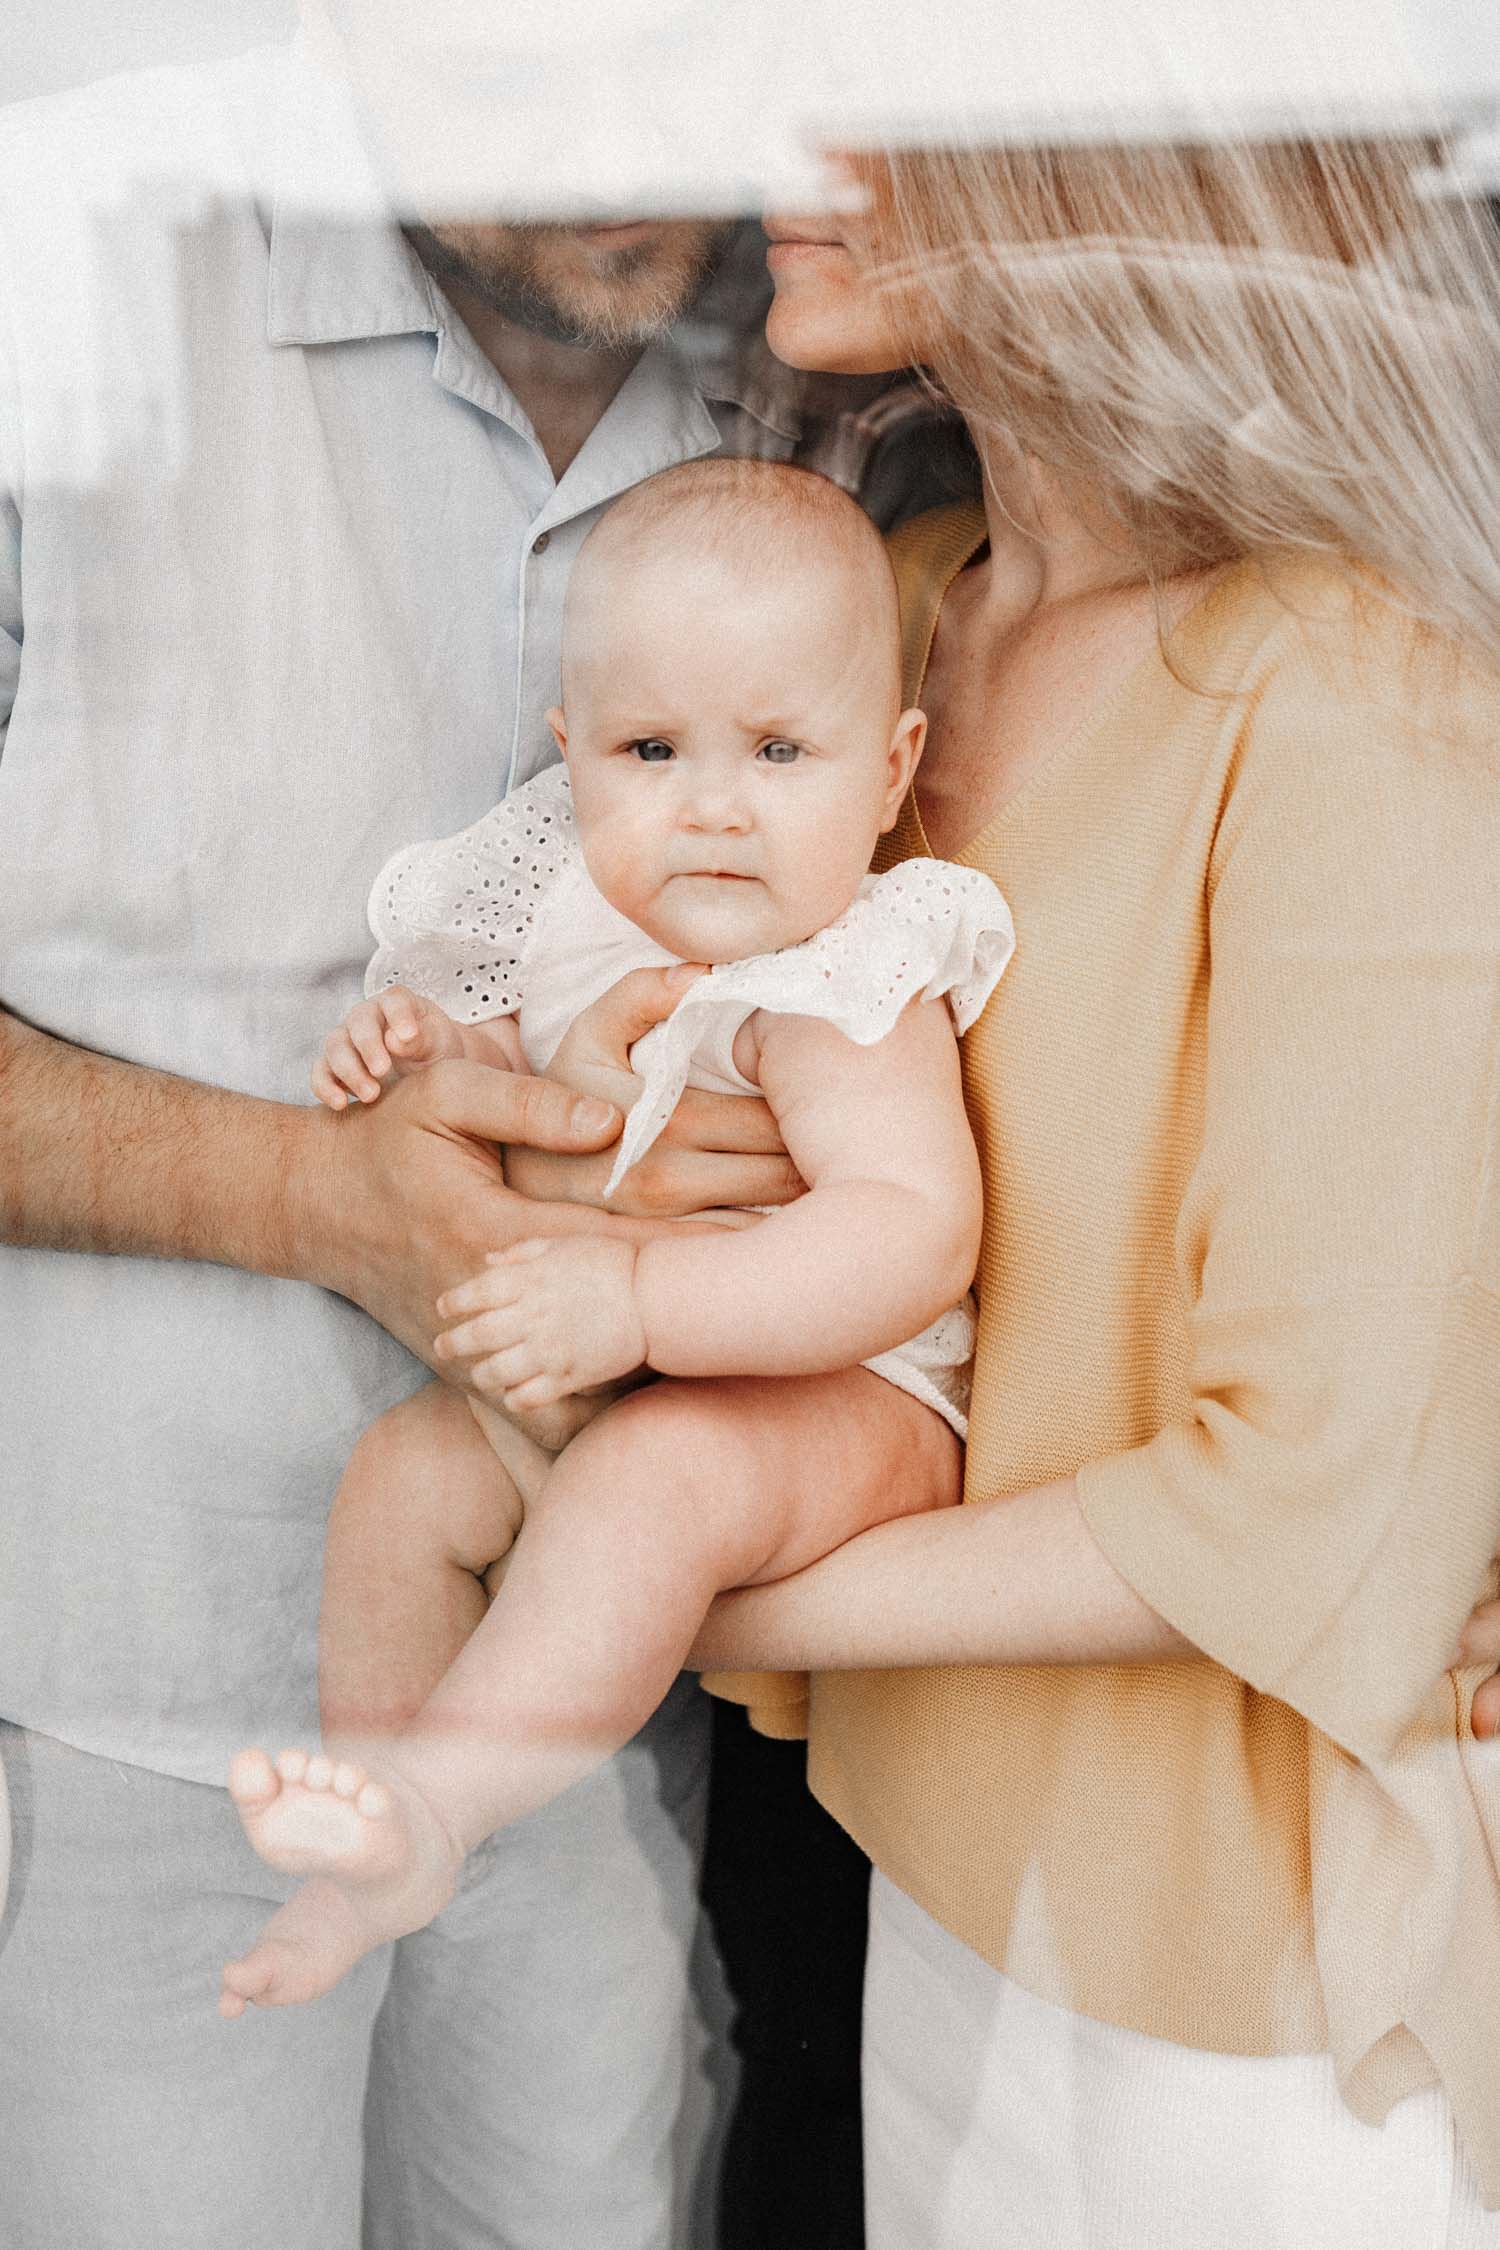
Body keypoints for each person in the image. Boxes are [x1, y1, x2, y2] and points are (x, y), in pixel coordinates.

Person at [0, 34, 948, 2250]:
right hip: (130, 1679)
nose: (629, 143)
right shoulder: (70, 308)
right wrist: (311, 1196)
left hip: (618, 1692)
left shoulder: (821, 375)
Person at [626, 138, 1500, 2245]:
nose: (781, 157)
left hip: (1263, 2006)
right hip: (945, 1884)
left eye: (885, 89)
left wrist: (658, 1590)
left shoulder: (1363, 682)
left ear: (1100, 154)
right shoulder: (905, 616)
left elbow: (1317, 1505)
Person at [214, 456, 1012, 2016]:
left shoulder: (844, 974)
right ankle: (375, 1811)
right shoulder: (565, 910)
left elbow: (911, 1232)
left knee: (652, 1483)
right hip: (627, 1359)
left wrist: (644, 1295)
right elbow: (510, 1083)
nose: (713, 806)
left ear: (894, 763)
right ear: (572, 754)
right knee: (402, 1480)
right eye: (654, 748)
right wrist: (419, 1055)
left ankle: (442, 1809)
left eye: (782, 749)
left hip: (856, 1404)